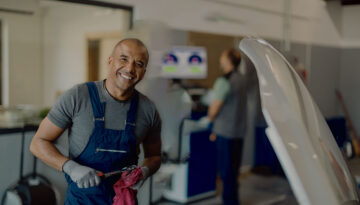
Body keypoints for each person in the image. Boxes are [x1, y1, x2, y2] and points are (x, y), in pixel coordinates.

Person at [30, 38, 162, 204]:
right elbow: (38, 142)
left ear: (144, 72)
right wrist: (71, 168)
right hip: (81, 200)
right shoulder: (78, 96)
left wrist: (144, 171)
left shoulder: (148, 110)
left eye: (139, 64)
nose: (130, 68)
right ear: (109, 60)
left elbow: (155, 156)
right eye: (123, 59)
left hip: (123, 200)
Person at [207, 48, 247, 205]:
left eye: (222, 56)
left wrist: (209, 114)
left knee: (225, 172)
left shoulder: (224, 81)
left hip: (224, 133)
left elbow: (213, 111)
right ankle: (234, 200)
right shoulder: (242, 79)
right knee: (234, 171)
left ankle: (230, 202)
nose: (220, 59)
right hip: (239, 132)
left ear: (228, 60)